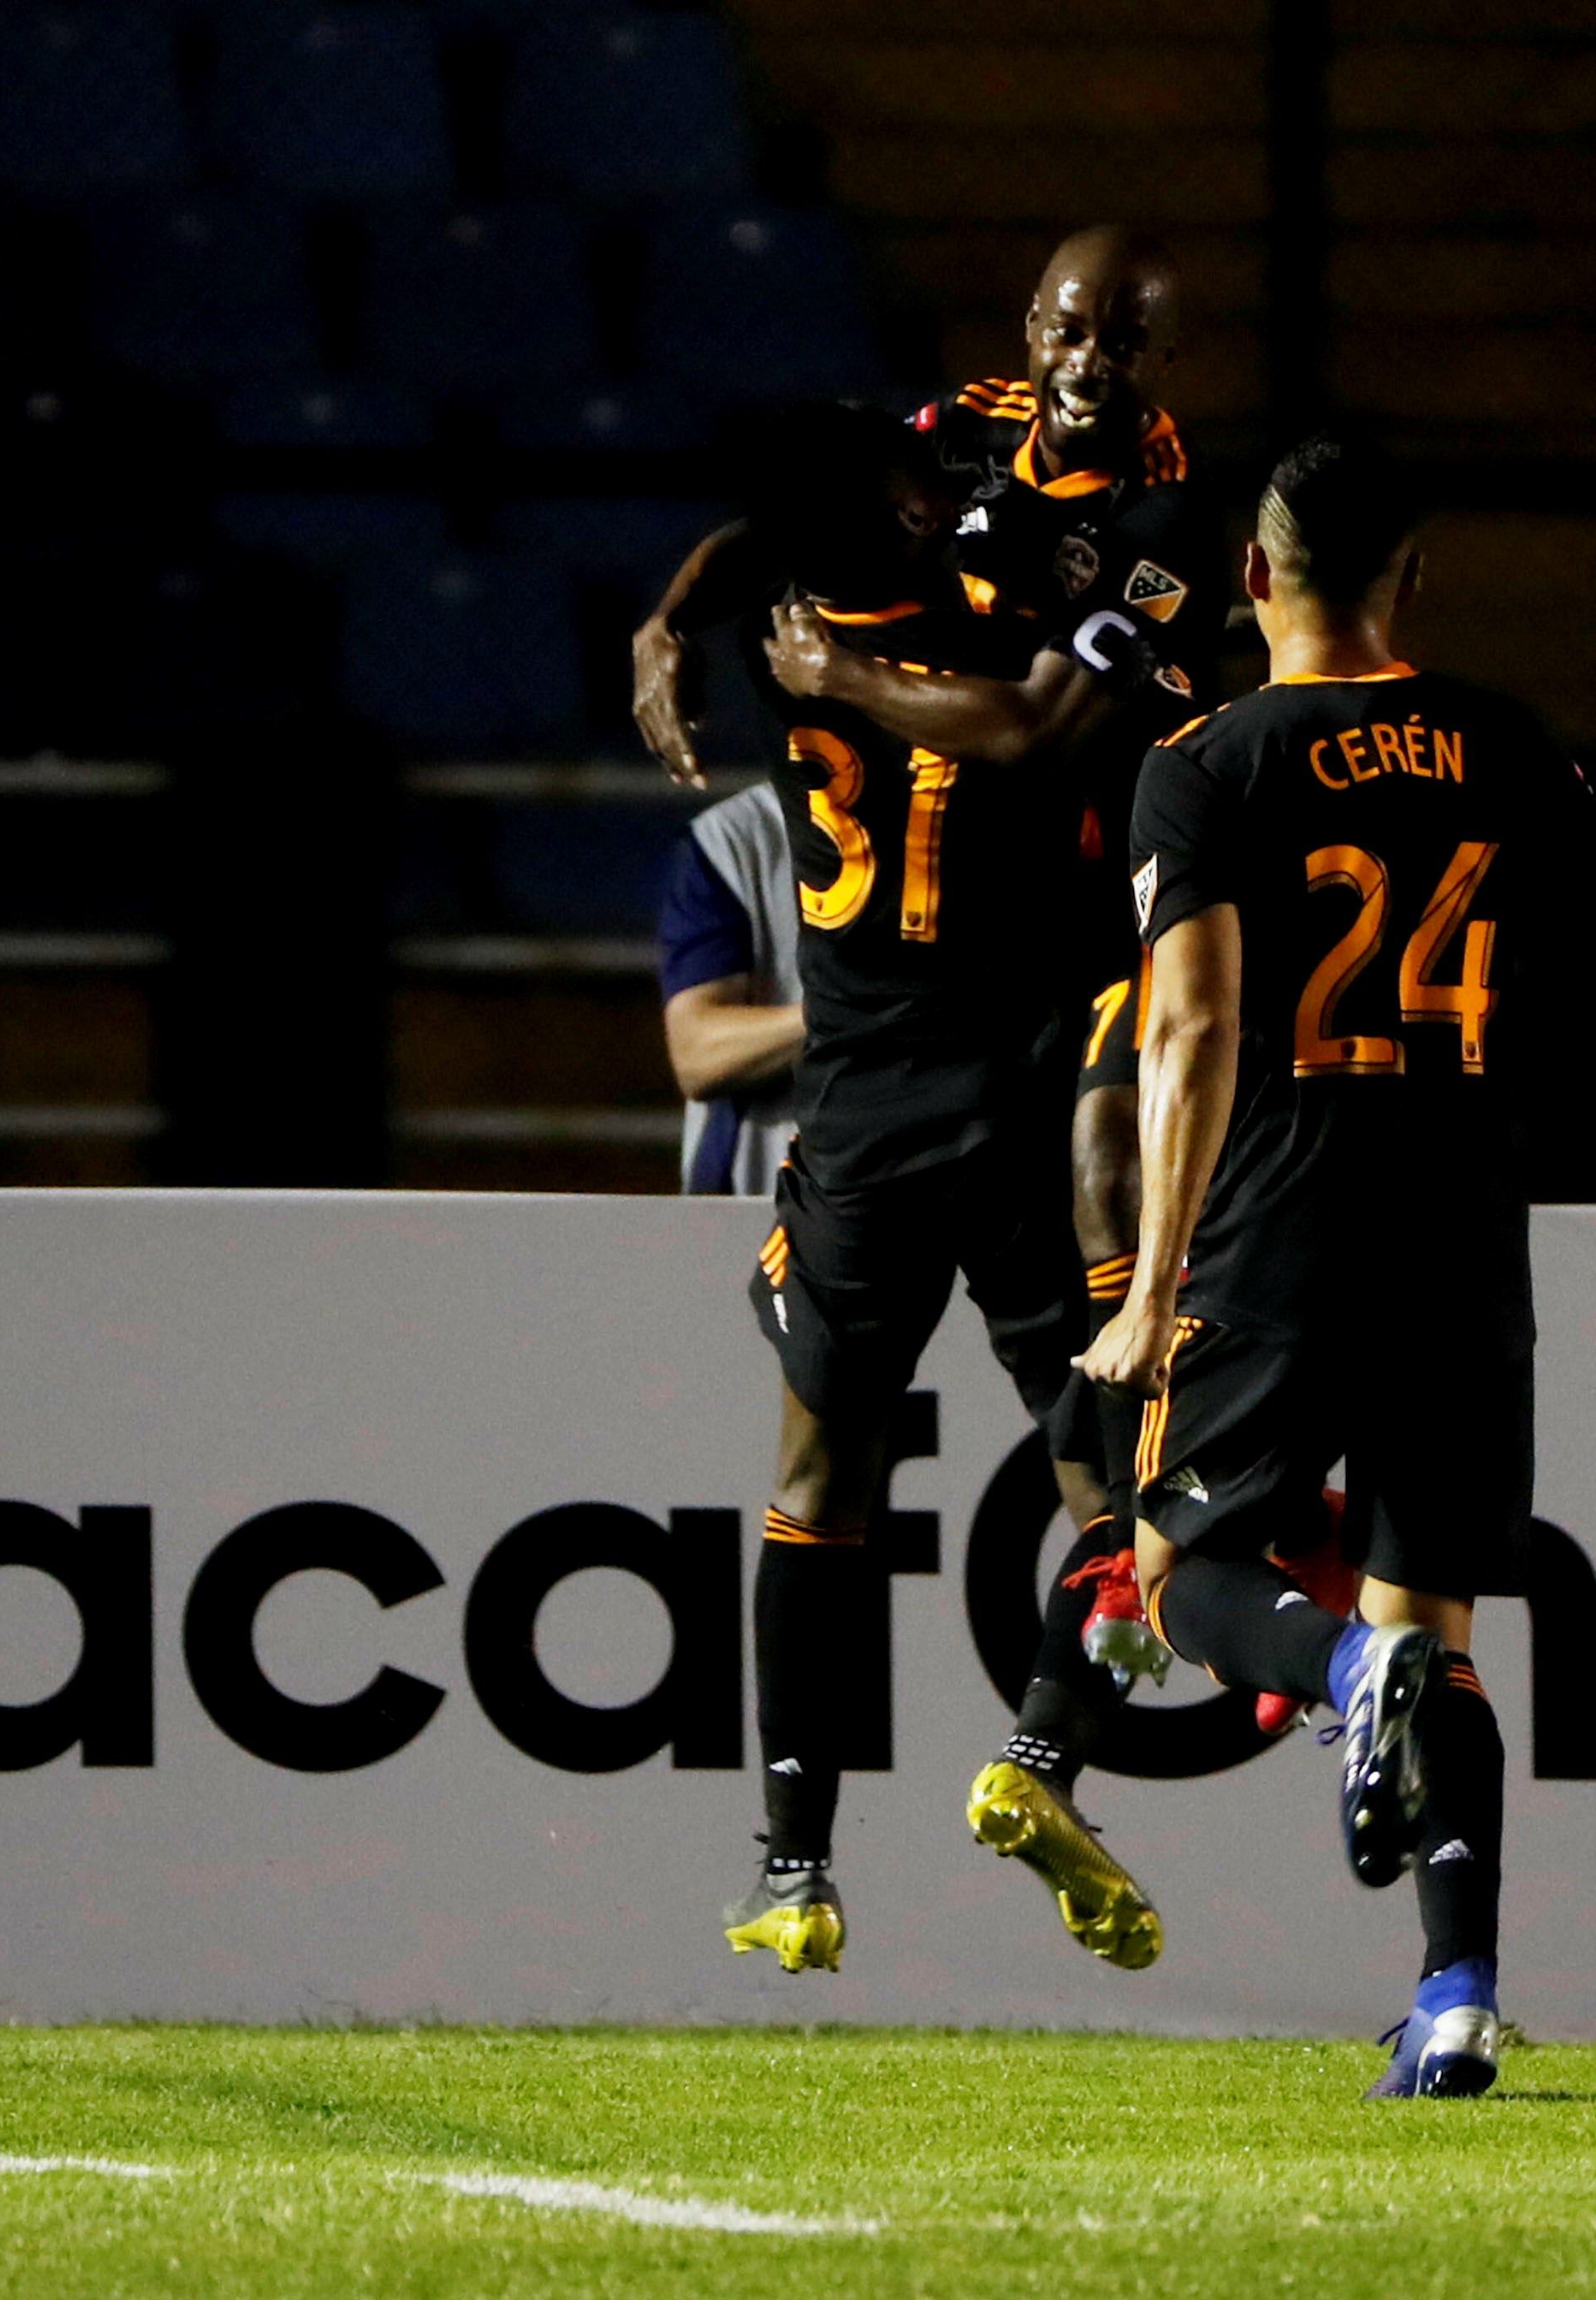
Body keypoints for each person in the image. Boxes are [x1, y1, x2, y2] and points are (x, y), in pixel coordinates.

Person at [1080, 439, 1596, 2098]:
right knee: (1446, 1617)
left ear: (1254, 581)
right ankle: (1457, 1992)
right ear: (1409, 581)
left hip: (1279, 1226)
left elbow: (1197, 1023)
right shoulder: (1507, 744)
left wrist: (1148, 1285)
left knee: (1181, 1574)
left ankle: (1350, 1670)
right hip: (1460, 1241)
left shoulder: (1203, 763)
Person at [632, 229, 1237, 1950]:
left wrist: (760, 646)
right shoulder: (942, 505)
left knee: (843, 1461)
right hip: (995, 1053)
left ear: (1163, 356)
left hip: (932, 1067)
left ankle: (819, 1849)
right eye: (1065, 326)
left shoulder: (1161, 530)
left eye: (1124, 334)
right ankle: (977, 1786)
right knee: (1092, 1461)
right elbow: (821, 521)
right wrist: (671, 609)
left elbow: (1033, 718)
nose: (1086, 359)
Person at [655, 781, 804, 1196]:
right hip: (754, 1204)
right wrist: (853, 1013)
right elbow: (698, 1051)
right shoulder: (738, 836)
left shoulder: (976, 825)